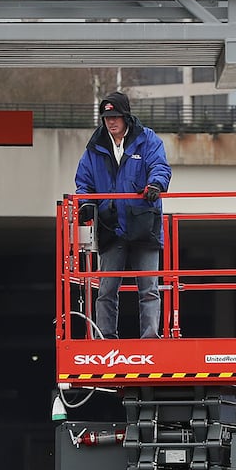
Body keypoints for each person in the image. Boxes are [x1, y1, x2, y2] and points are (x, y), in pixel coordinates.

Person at [74, 90, 172, 339]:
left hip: (143, 223)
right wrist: (85, 203)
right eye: (107, 118)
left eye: (116, 116)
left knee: (148, 288)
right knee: (106, 289)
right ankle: (105, 338)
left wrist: (155, 186)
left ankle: (150, 337)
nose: (111, 122)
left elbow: (160, 166)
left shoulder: (148, 139)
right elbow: (83, 182)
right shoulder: (94, 147)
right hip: (110, 225)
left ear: (126, 117)